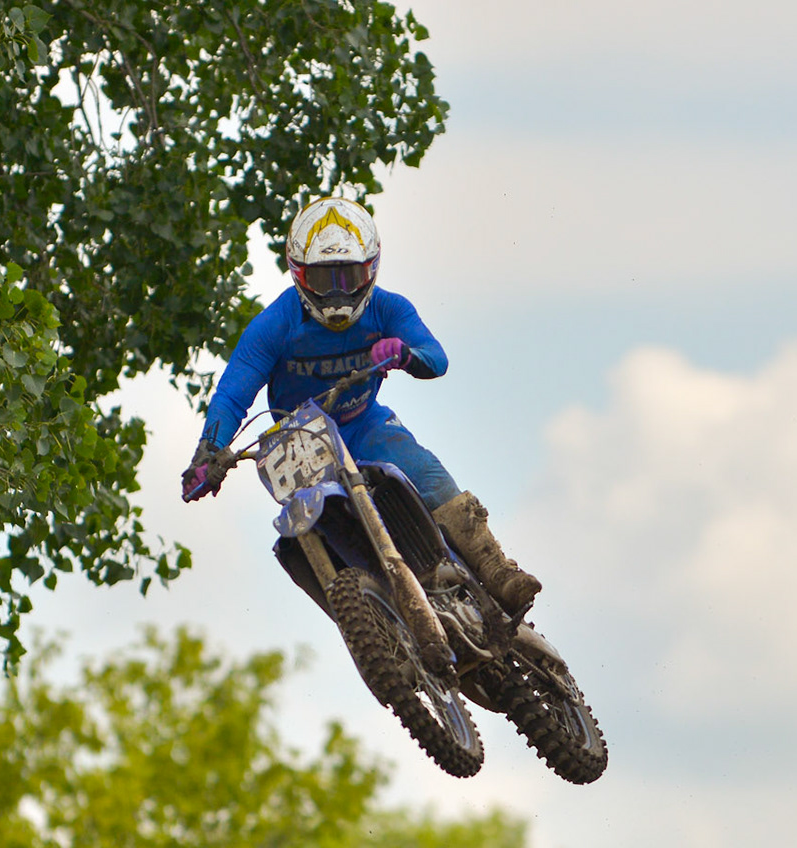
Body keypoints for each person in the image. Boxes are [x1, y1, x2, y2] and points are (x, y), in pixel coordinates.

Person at [181, 196, 542, 615]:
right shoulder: (274, 325)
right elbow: (232, 394)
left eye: (349, 276)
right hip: (298, 442)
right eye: (323, 279)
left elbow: (436, 358)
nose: (337, 292)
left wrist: (406, 354)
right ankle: (368, 617)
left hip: (363, 424)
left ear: (371, 269)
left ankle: (497, 569)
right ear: (298, 274)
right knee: (300, 530)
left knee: (423, 469)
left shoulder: (389, 308)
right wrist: (208, 452)